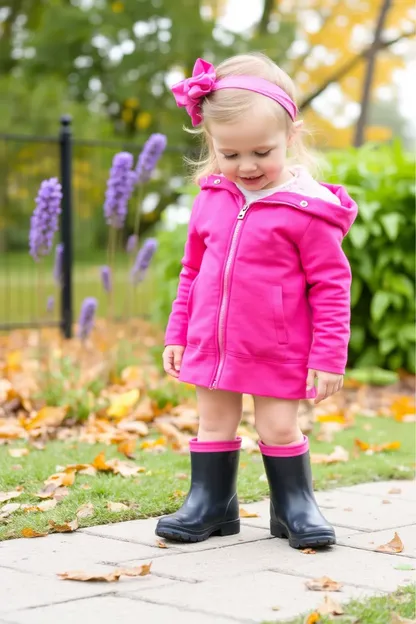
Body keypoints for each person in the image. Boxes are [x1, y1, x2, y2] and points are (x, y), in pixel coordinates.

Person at [155, 53, 358, 549]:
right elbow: (192, 272)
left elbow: (331, 287)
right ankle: (211, 504)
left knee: (278, 426)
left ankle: (294, 507)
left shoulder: (307, 212)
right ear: (212, 145)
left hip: (277, 346)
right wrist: (177, 332)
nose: (246, 167)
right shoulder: (210, 199)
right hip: (212, 342)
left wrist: (328, 357)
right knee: (213, 422)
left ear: (291, 137)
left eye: (262, 152)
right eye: (230, 154)